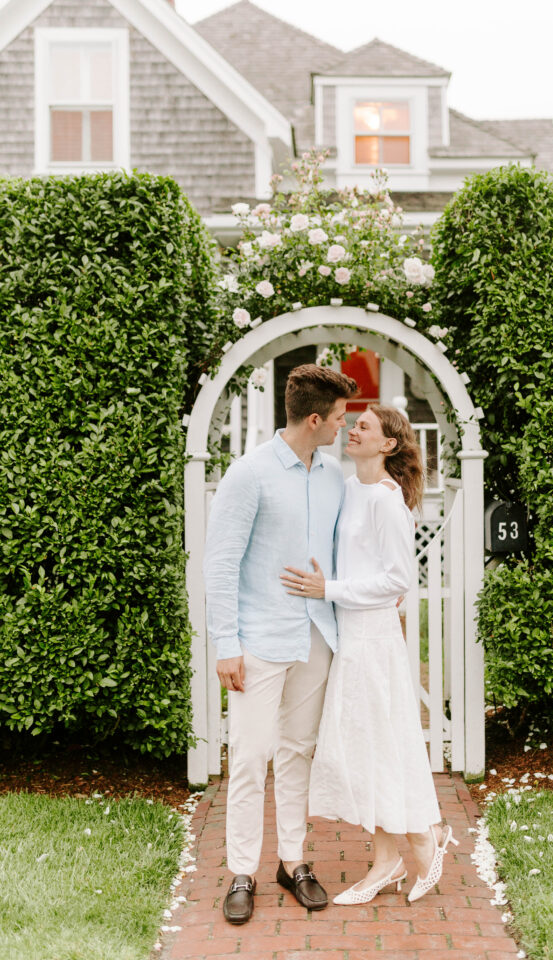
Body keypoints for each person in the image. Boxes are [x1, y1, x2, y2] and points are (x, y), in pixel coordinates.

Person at [280, 404, 457, 905]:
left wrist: (327, 589)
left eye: (364, 427)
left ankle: (422, 839)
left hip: (374, 638)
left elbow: (400, 579)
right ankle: (390, 857)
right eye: (353, 424)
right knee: (364, 747)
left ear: (388, 445)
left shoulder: (386, 500)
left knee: (382, 742)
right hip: (349, 634)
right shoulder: (348, 488)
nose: (352, 430)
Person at [203, 364, 357, 925]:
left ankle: (292, 863)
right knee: (249, 756)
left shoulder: (335, 475)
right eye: (339, 418)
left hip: (317, 636)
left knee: (299, 754)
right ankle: (242, 870)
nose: (344, 425)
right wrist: (226, 643)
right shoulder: (249, 475)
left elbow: (344, 550)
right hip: (260, 638)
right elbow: (219, 564)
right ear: (314, 419)